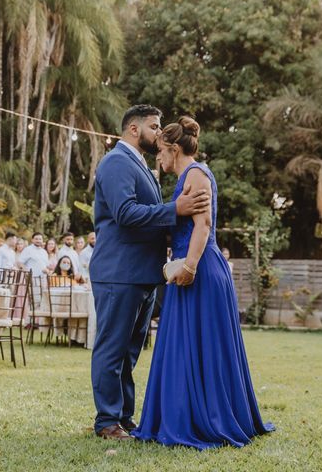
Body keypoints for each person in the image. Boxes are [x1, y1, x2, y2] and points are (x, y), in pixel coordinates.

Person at [131, 117, 274, 448]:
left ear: (174, 149)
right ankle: (183, 414)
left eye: (161, 153)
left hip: (199, 271)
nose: (158, 159)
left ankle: (203, 419)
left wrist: (191, 267)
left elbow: (203, 225)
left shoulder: (195, 174)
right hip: (187, 268)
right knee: (184, 345)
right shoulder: (187, 176)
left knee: (200, 345)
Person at [89, 104, 210, 440]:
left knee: (129, 351)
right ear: (134, 129)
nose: (160, 133)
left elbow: (150, 217)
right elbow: (125, 213)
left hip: (144, 273)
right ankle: (107, 421)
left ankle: (124, 417)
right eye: (155, 126)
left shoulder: (140, 165)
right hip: (119, 271)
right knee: (112, 348)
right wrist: (177, 209)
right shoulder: (115, 162)